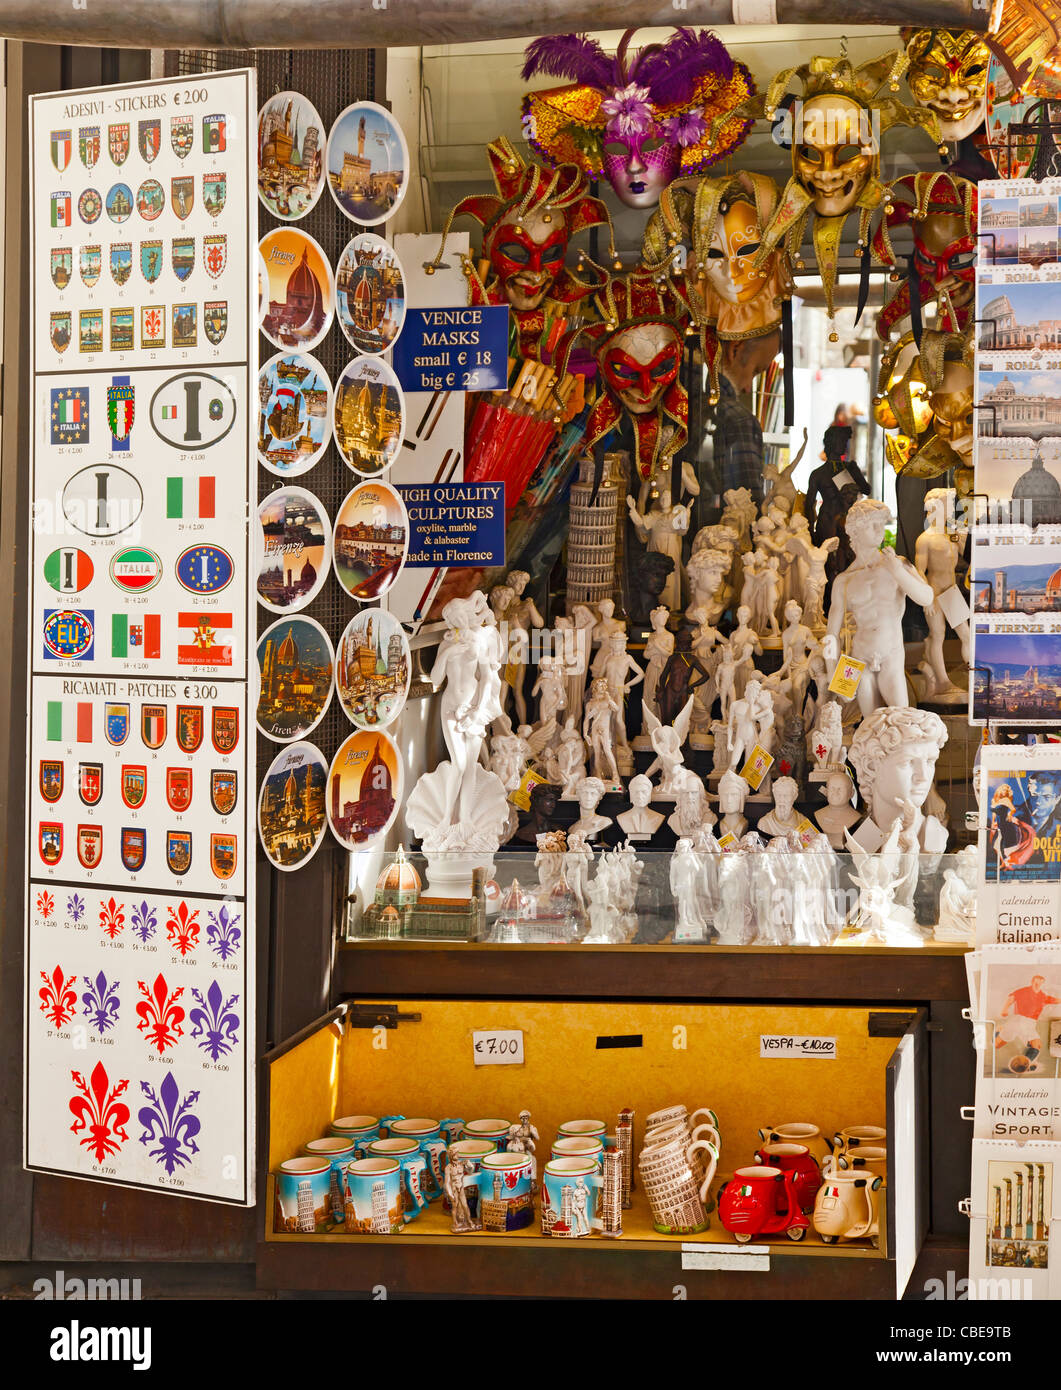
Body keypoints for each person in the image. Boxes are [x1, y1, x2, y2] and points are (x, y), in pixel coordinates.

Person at [709, 330, 779, 506]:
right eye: (755, 370)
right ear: (735, 349)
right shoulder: (738, 420)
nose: (749, 388)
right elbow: (747, 509)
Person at [995, 975, 1060, 1068]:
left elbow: (1055, 1000)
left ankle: (1026, 1064)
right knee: (997, 1045)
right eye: (1036, 982)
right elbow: (1011, 998)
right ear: (1032, 982)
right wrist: (1004, 1009)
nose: (1038, 984)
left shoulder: (1042, 996)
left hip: (1030, 1023)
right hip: (1018, 1020)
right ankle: (999, 1032)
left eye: (1040, 983)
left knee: (1036, 1045)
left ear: (1042, 984)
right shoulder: (1023, 991)